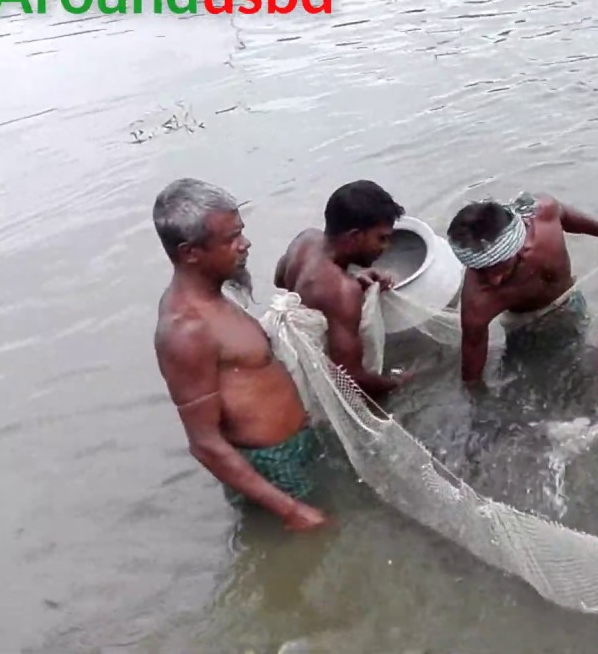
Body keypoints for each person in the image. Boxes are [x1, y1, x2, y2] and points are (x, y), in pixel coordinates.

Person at [152, 178, 327, 532]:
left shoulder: (215, 300)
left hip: (296, 448)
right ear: (190, 253)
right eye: (231, 239)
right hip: (272, 468)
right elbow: (205, 443)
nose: (244, 245)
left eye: (241, 232)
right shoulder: (186, 330)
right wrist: (291, 510)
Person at [447, 192, 598, 383]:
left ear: (523, 244)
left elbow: (563, 214)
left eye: (500, 269)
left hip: (569, 301)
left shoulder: (543, 213)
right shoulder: (478, 303)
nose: (494, 281)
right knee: (527, 378)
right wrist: (475, 399)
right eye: (481, 272)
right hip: (523, 325)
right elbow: (472, 363)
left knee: (581, 365)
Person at [274, 180, 415, 399]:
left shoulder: (306, 239)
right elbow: (350, 380)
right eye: (382, 238)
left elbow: (279, 280)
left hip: (286, 356)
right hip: (312, 385)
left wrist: (349, 278)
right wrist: (396, 383)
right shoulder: (342, 292)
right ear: (354, 237)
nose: (385, 247)